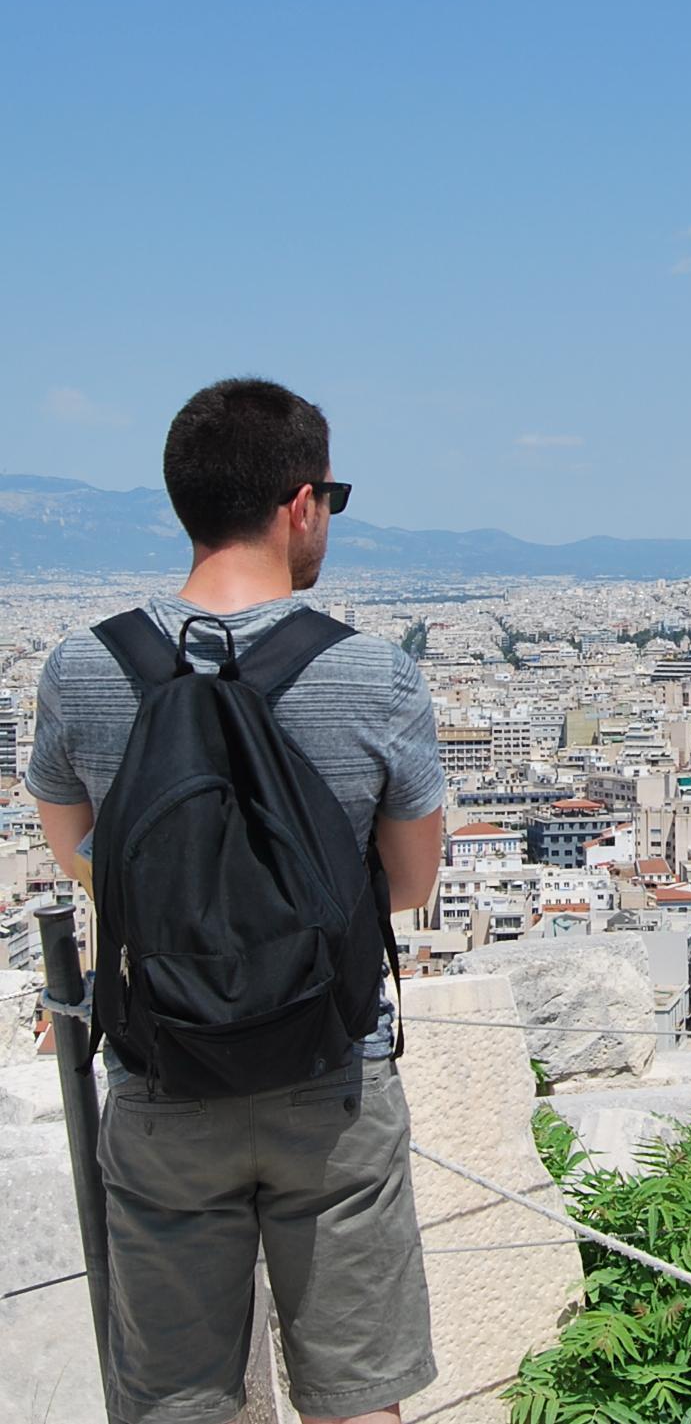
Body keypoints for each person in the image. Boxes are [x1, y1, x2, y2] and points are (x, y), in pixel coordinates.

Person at [27, 378, 444, 1424]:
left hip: (163, 1070)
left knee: (179, 1402)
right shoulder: (373, 678)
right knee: (357, 1399)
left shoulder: (82, 667)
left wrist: (190, 928)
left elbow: (78, 850)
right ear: (301, 503)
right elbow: (407, 885)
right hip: (329, 1070)